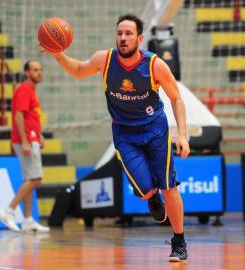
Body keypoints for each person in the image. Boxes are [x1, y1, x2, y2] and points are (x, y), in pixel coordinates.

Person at [43, 14, 190, 261]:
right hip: (124, 133)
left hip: (155, 130)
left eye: (128, 33)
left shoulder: (155, 64)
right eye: (119, 33)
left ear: (140, 39)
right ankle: (150, 196)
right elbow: (79, 70)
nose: (123, 38)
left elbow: (176, 98)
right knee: (145, 191)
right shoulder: (106, 59)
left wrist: (182, 134)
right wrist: (58, 54)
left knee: (168, 186)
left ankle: (179, 241)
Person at [0, 60, 50, 233]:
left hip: (31, 137)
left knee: (30, 178)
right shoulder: (24, 89)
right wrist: (25, 140)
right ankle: (8, 211)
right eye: (35, 69)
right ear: (26, 73)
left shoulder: (31, 91)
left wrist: (38, 135)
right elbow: (18, 117)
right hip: (25, 140)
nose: (39, 72)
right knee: (36, 178)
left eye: (40, 69)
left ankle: (27, 220)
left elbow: (30, 118)